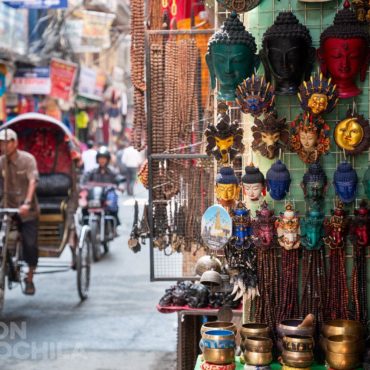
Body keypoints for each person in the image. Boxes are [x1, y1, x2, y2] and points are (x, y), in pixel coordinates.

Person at [0, 129, 39, 295]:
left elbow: (33, 181)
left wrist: (27, 202)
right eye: (1, 143)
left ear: (14, 143)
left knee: (30, 244)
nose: (3, 146)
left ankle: (29, 278)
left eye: (6, 142)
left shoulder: (27, 159)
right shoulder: (1, 162)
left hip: (26, 209)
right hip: (6, 207)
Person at [82, 146, 124, 226]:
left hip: (107, 196)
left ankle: (113, 224)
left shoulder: (112, 171)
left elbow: (120, 179)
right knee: (84, 206)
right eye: (100, 158)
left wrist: (121, 186)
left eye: (104, 158)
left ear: (107, 159)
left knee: (113, 203)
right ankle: (85, 224)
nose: (102, 160)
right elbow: (84, 179)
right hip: (95, 196)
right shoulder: (92, 171)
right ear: (97, 159)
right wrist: (83, 187)